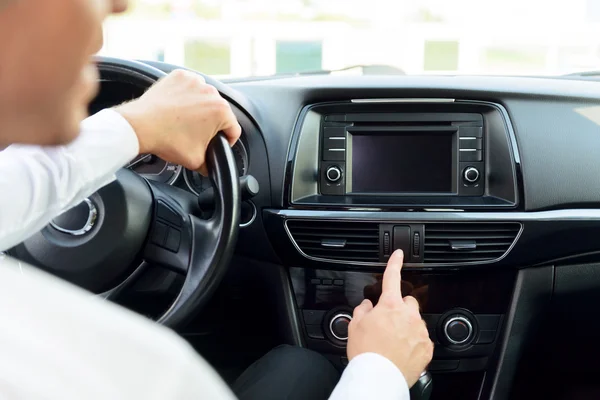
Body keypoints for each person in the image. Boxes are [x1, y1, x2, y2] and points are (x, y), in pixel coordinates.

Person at [0, 1, 434, 399]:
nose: (119, 5)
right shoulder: (161, 376)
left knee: (298, 364)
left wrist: (133, 128)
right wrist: (382, 371)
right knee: (304, 365)